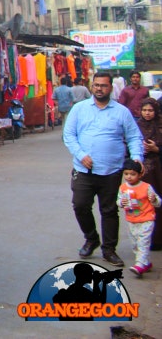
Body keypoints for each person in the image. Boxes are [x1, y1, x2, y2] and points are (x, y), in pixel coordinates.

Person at [63, 71, 144, 267]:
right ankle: (91, 238)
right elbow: (69, 135)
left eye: (104, 85)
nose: (99, 88)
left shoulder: (121, 112)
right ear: (92, 86)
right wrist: (81, 155)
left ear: (111, 88)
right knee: (80, 205)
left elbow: (134, 137)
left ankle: (109, 250)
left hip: (112, 170)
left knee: (109, 210)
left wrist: (136, 158)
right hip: (83, 170)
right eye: (96, 85)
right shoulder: (79, 109)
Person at [117, 159, 161, 277]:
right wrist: (122, 202)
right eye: (126, 174)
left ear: (140, 174)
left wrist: (154, 200)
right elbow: (118, 201)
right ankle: (145, 263)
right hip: (132, 220)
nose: (129, 177)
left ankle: (140, 264)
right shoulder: (123, 188)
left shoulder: (146, 187)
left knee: (143, 242)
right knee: (135, 244)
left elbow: (158, 202)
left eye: (132, 174)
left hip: (147, 219)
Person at [135, 97, 162, 250]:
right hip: (143, 172)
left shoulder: (160, 125)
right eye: (144, 110)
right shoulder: (136, 126)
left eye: (150, 110)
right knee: (144, 203)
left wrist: (156, 149)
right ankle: (145, 239)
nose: (147, 113)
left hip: (159, 170)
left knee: (158, 202)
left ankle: (158, 239)